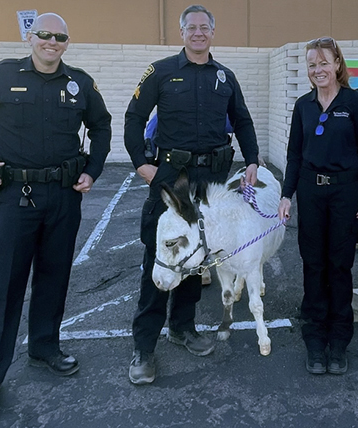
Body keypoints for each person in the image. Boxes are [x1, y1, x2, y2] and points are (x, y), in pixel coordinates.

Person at [0, 12, 111, 425]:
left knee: (54, 277)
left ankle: (44, 347)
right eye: (44, 35)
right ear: (30, 36)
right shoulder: (1, 76)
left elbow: (102, 126)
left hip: (64, 195)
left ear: (67, 43)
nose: (51, 42)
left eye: (59, 37)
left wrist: (93, 168)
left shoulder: (79, 84)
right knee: (2, 286)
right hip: (14, 198)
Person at [124, 4, 259, 385]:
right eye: (191, 28)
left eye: (205, 27)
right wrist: (141, 164)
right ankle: (144, 347)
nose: (198, 33)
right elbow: (134, 118)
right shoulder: (161, 72)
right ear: (182, 33)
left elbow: (243, 120)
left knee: (198, 256)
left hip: (210, 181)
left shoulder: (225, 76)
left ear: (213, 32)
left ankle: (183, 328)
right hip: (172, 178)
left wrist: (253, 159)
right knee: (162, 252)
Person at [277, 37, 358, 375]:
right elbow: (293, 155)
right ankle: (315, 338)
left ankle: (339, 340)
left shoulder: (354, 103)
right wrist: (285, 194)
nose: (317, 70)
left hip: (345, 194)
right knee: (313, 265)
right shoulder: (303, 106)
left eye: (323, 63)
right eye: (312, 65)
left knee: (339, 266)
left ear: (337, 64)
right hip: (310, 192)